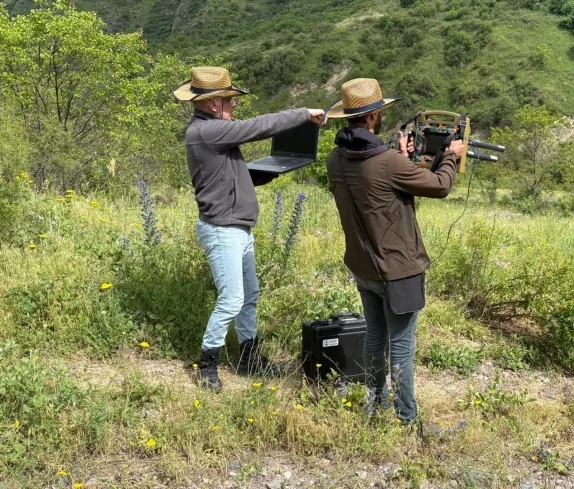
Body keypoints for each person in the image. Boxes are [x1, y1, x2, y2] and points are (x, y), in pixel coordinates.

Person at [173, 66, 326, 392]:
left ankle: (249, 357)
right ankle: (206, 364)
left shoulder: (211, 132)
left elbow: (229, 174)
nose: (235, 105)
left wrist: (270, 170)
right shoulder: (208, 131)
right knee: (231, 299)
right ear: (214, 104)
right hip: (223, 229)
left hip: (236, 228)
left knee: (249, 296)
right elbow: (259, 127)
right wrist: (303, 114)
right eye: (230, 100)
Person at [325, 78, 464, 423]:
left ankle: (376, 402)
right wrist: (449, 156)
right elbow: (440, 186)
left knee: (374, 336)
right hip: (399, 270)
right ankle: (406, 418)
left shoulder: (335, 159)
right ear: (372, 118)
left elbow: (379, 188)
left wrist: (404, 158)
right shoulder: (388, 162)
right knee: (402, 346)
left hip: (364, 266)